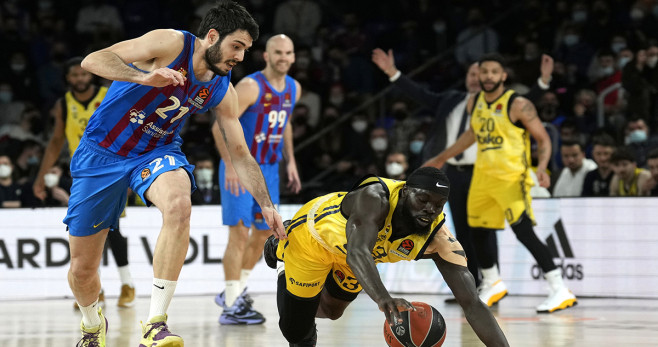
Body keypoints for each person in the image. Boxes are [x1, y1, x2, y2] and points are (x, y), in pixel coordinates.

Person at [63, 2, 284, 346]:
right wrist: (142, 76)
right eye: (236, 46)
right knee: (82, 270)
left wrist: (266, 204)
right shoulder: (170, 43)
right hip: (102, 153)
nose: (240, 57)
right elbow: (92, 60)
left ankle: (155, 323)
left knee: (179, 204)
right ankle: (92, 326)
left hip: (156, 151)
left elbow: (240, 153)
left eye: (245, 50)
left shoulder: (221, 88)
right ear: (212, 36)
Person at [372, 47, 555, 296]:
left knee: (492, 231)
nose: (481, 76)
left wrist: (543, 82)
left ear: (500, 76)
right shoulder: (455, 101)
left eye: (491, 72)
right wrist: (392, 72)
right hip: (454, 172)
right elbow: (419, 94)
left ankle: (496, 280)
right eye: (476, 73)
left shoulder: (507, 102)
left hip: (489, 172)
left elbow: (522, 106)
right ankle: (476, 285)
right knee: (465, 230)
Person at [263, 167, 509, 347]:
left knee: (333, 310)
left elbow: (473, 304)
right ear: (405, 192)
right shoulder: (374, 198)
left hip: (358, 254)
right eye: (423, 199)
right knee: (297, 333)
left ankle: (303, 300)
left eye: (439, 205)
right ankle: (279, 250)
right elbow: (357, 252)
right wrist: (383, 298)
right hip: (312, 241)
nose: (430, 210)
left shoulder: (440, 240)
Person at [423, 53, 577, 313]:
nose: (489, 76)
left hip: (510, 178)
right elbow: (471, 134)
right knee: (477, 231)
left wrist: (541, 167)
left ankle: (559, 288)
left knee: (523, 231)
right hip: (483, 178)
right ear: (479, 75)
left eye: (495, 72)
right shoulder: (476, 103)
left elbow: (543, 138)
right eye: (484, 72)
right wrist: (441, 158)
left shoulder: (517, 104)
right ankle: (492, 282)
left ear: (503, 75)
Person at [32, 56, 137, 310]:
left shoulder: (109, 93)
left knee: (111, 229)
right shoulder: (64, 105)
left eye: (83, 74)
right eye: (74, 75)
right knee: (85, 232)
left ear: (91, 75)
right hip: (83, 172)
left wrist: (133, 169)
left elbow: (130, 129)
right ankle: (94, 289)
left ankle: (127, 284)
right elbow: (56, 142)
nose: (80, 79)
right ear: (68, 79)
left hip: (114, 168)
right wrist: (39, 178)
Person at [211, 34, 301, 325]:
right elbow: (219, 126)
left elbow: (284, 123)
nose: (283, 57)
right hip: (241, 165)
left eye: (288, 53)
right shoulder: (250, 86)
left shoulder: (294, 89)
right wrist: (230, 164)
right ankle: (232, 303)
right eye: (278, 52)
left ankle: (236, 291)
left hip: (270, 169)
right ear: (266, 55)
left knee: (265, 232)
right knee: (239, 233)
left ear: (294, 56)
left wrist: (291, 162)